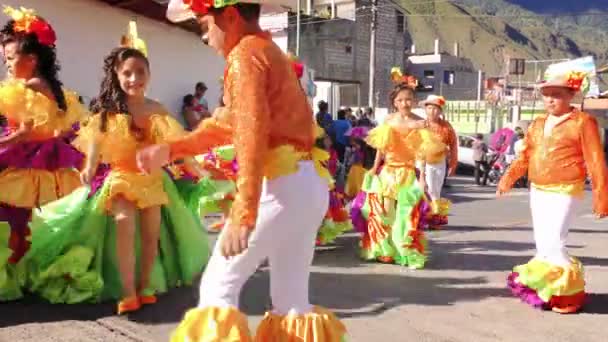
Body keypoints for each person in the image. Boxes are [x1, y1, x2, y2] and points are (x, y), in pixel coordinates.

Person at [140, 1, 346, 340]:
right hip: (308, 184)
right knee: (291, 301)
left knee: (217, 288)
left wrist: (244, 212)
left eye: (205, 26)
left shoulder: (245, 56)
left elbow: (251, 135)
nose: (204, 38)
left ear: (231, 17)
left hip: (281, 187)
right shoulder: (269, 52)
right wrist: (172, 149)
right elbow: (232, 127)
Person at [4, 27, 210, 313]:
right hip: (121, 175)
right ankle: (127, 290)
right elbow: (96, 142)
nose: (134, 79)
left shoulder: (157, 109)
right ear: (116, 75)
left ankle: (146, 284)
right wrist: (88, 167)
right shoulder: (109, 110)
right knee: (124, 221)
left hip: (151, 180)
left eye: (140, 72)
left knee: (151, 232)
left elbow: (174, 145)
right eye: (127, 73)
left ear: (149, 75)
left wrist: (193, 168)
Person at [500, 70, 608, 314]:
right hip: (538, 187)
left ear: (571, 94)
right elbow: (525, 155)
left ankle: (569, 296)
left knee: (556, 243)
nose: (549, 100)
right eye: (546, 95)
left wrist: (602, 197)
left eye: (556, 95)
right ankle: (548, 291)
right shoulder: (537, 123)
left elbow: (595, 160)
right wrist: (508, 177)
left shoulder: (583, 122)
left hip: (566, 188)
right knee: (543, 243)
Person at [0, 7, 85, 267]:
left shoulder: (29, 86)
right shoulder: (54, 88)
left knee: (19, 212)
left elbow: (27, 133)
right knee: (35, 215)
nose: (7, 65)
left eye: (10, 58)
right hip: (50, 161)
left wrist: (9, 140)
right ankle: (33, 262)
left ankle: (20, 264)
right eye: (5, 60)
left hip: (34, 161)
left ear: (32, 59)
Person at [350, 80, 442, 269]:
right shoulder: (389, 121)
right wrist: (375, 167)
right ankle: (384, 250)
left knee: (406, 215)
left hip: (407, 173)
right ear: (395, 103)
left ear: (414, 101)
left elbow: (423, 152)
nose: (405, 103)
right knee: (384, 212)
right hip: (388, 173)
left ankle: (404, 250)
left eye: (409, 99)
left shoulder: (420, 123)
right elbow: (381, 147)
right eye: (401, 100)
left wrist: (423, 178)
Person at [419, 95, 458, 229]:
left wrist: (453, 163)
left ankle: (434, 218)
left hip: (440, 162)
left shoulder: (446, 126)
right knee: (428, 190)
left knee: (436, 190)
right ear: (425, 110)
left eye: (435, 108)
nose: (432, 111)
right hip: (424, 162)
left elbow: (453, 145)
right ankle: (431, 217)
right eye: (429, 108)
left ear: (440, 111)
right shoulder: (422, 125)